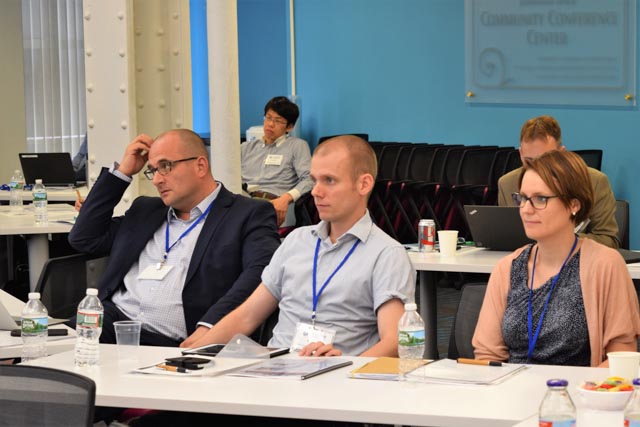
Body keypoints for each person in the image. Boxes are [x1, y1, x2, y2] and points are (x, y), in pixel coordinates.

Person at [183, 135, 416, 356]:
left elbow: (394, 341)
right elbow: (247, 316)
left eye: (329, 180)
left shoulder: (386, 254)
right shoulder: (296, 241)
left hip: (336, 374)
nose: (315, 191)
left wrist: (348, 370)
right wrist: (190, 355)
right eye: (314, 180)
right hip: (274, 370)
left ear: (364, 184)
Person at [68, 129, 281, 347]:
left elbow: (262, 272)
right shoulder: (145, 209)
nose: (157, 180)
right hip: (112, 324)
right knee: (53, 349)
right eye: (153, 170)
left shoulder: (247, 213)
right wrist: (123, 172)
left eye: (165, 166)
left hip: (175, 341)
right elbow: (84, 238)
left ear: (200, 166)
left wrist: (212, 326)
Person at [474, 150, 640, 367]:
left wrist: (581, 386)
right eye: (522, 198)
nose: (526, 209)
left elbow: (621, 356)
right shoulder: (507, 267)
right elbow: (487, 354)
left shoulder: (605, 265)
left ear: (573, 205)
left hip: (580, 387)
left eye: (540, 199)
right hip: (512, 386)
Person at [498, 115, 619, 248]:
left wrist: (560, 239)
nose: (538, 167)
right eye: (529, 161)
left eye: (546, 159)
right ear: (520, 154)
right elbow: (507, 236)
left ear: (561, 153)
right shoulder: (507, 184)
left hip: (581, 257)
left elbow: (608, 240)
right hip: (526, 257)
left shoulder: (595, 181)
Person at [241, 96, 313, 227]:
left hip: (274, 203)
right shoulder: (246, 148)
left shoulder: (297, 146)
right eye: (268, 118)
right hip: (243, 201)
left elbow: (309, 179)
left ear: (289, 127)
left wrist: (286, 198)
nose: (270, 124)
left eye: (278, 121)